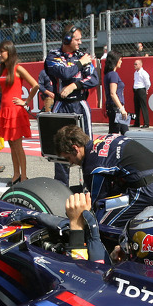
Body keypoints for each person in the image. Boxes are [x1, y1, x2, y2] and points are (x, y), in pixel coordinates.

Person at [53, 125, 153, 227]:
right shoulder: (108, 137)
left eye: (69, 158)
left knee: (99, 224)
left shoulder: (93, 166)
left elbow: (95, 202)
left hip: (149, 190)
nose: (71, 163)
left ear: (75, 149)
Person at [44, 24, 99, 186]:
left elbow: (94, 79)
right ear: (67, 38)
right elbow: (64, 73)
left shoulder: (82, 55)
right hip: (62, 105)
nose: (80, 43)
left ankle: (90, 185)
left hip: (80, 104)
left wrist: (75, 86)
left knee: (87, 145)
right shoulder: (54, 56)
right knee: (61, 145)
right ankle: (61, 187)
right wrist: (80, 64)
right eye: (77, 39)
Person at [0, 40, 39, 184]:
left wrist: (26, 102)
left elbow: (35, 85)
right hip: (5, 111)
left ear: (9, 51)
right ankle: (16, 175)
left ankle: (24, 176)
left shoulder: (18, 68)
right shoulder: (4, 70)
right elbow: (4, 90)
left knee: (18, 145)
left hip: (15, 112)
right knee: (12, 145)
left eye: (2, 51)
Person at [103, 50, 129, 135]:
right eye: (120, 59)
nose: (121, 62)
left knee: (123, 132)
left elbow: (106, 92)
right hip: (116, 109)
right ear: (116, 60)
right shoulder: (113, 75)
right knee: (117, 133)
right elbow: (113, 93)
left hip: (114, 108)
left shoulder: (108, 75)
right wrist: (122, 109)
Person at [132, 59, 151, 128]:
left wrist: (146, 89)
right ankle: (137, 122)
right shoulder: (135, 73)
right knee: (136, 107)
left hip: (141, 90)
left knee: (143, 106)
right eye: (134, 64)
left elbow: (148, 83)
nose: (134, 65)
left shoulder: (144, 73)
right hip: (136, 90)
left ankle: (146, 123)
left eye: (136, 64)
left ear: (140, 65)